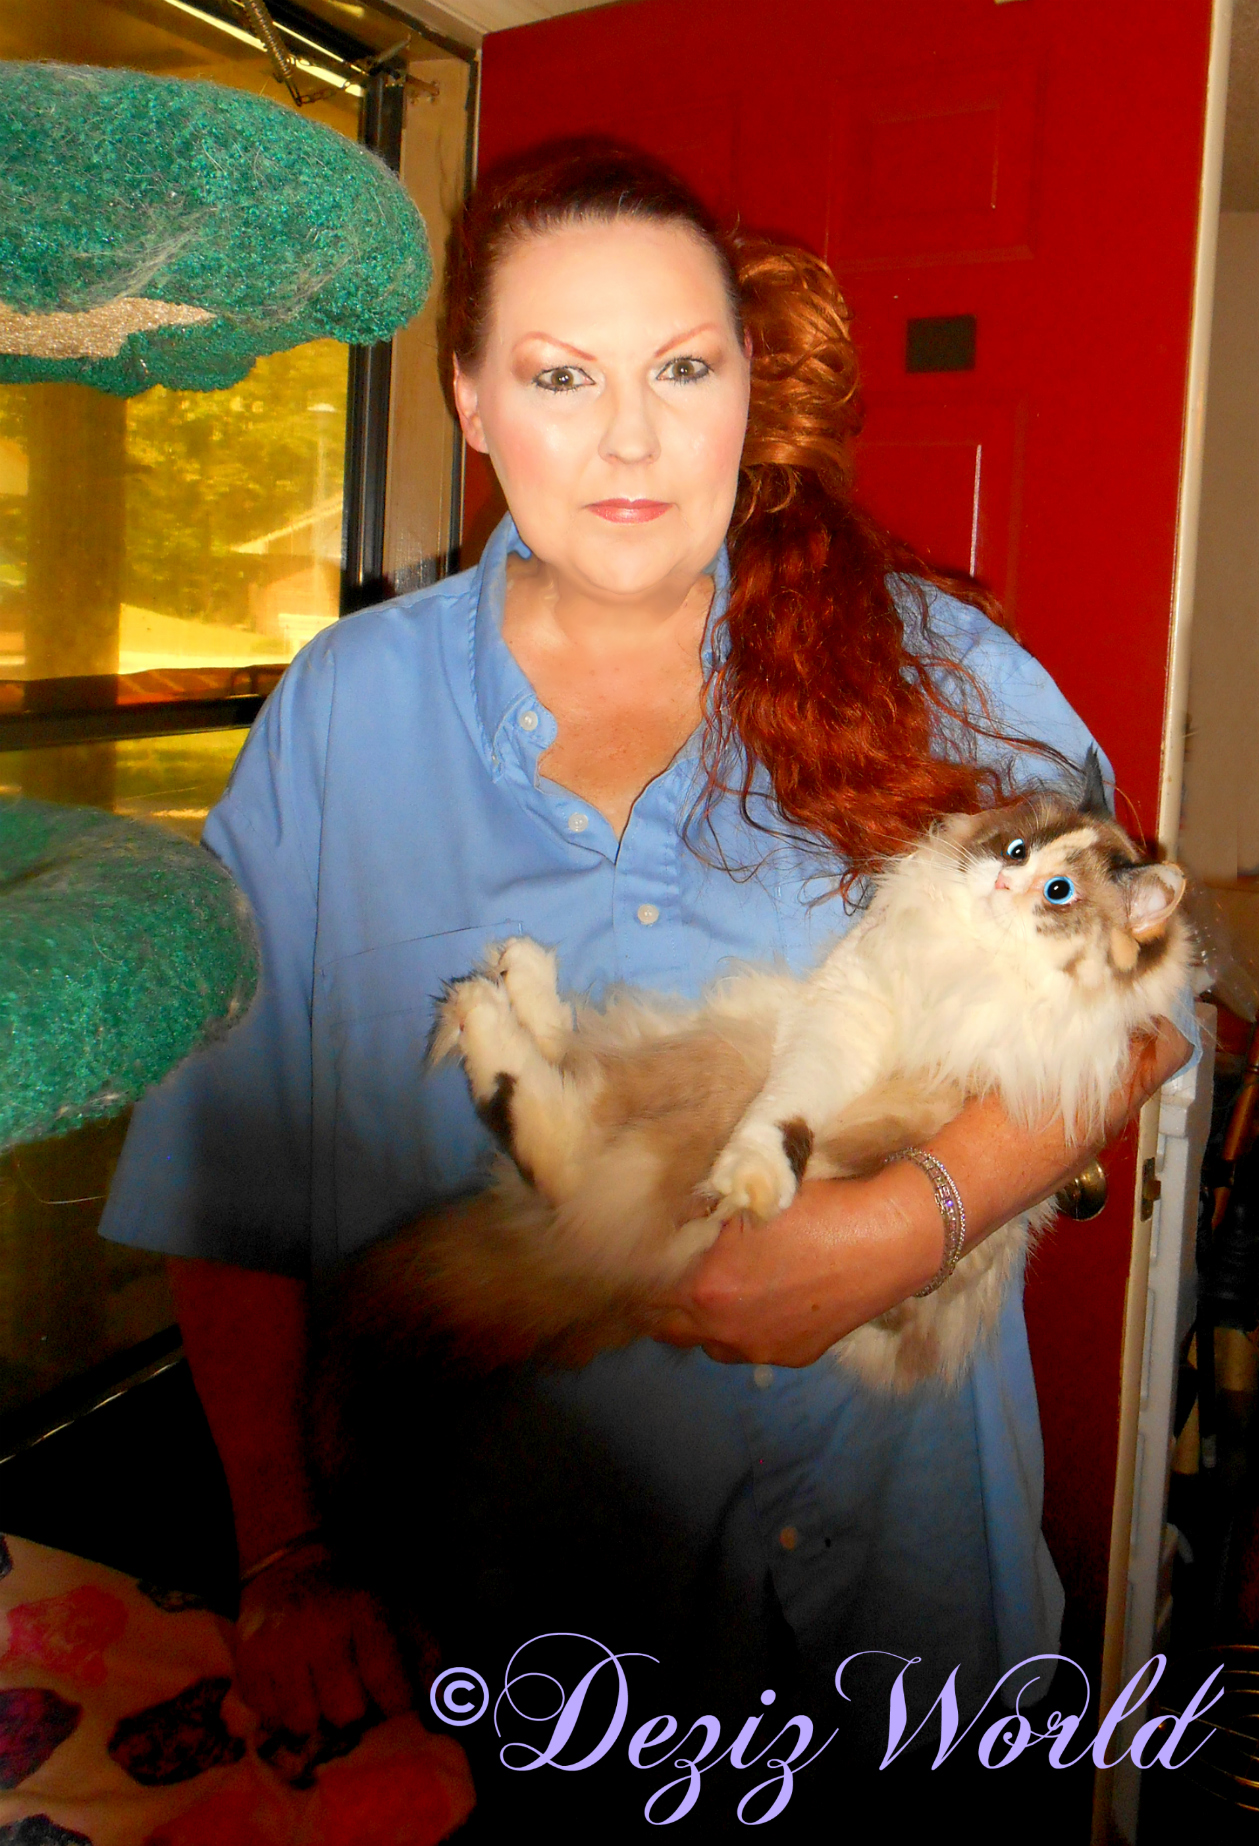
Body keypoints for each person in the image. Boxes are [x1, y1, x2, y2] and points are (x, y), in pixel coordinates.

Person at [99, 142, 1191, 1831]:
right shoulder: (343, 719)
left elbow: (1143, 1019)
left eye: (683, 369)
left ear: (750, 384)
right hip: (525, 1682)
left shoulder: (941, 667)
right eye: (560, 377)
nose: (630, 440)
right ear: (470, 401)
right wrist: (290, 1552)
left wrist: (903, 1225)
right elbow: (227, 1176)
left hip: (913, 1655)